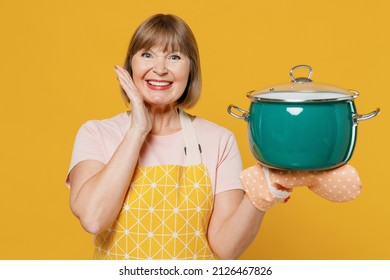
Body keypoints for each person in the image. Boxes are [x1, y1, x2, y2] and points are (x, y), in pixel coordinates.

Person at [66, 14, 362, 260]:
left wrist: (266, 189)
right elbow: (93, 218)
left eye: (174, 56)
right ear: (130, 65)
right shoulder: (97, 133)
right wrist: (137, 130)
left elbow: (226, 247)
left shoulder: (218, 140)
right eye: (147, 54)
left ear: (190, 70)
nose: (160, 68)